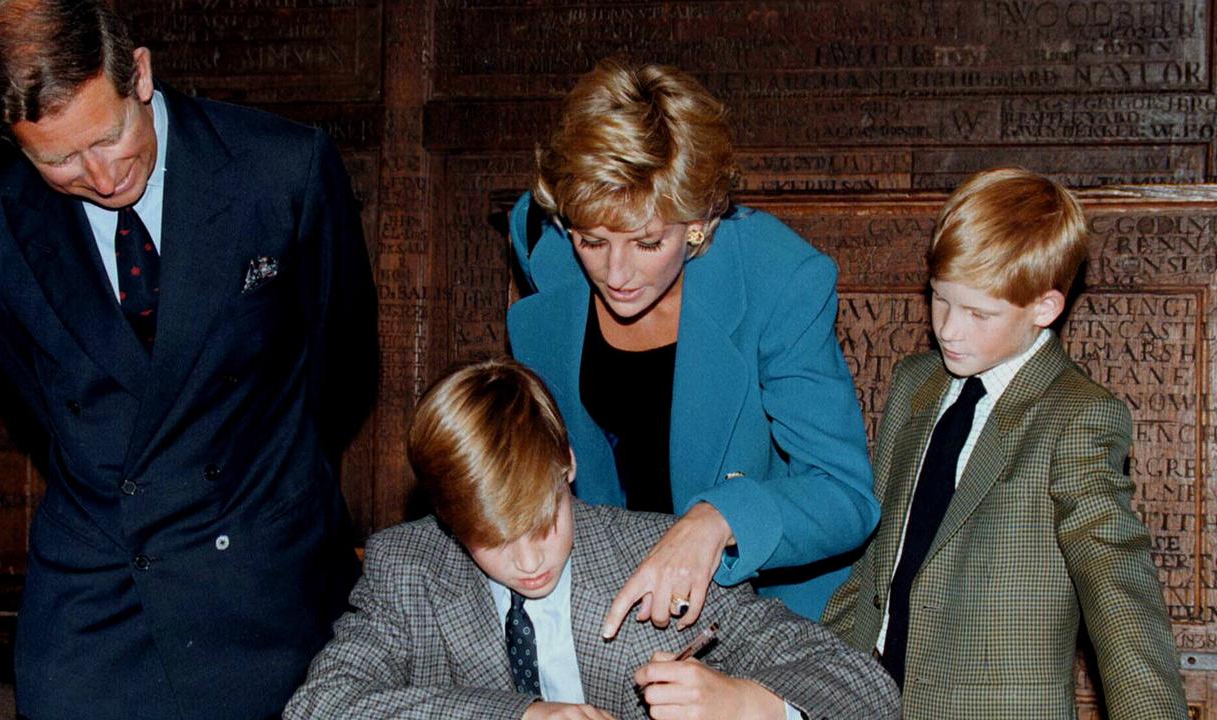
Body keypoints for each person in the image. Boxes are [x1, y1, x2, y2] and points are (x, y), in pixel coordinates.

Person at [0, 1, 376, 718]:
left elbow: (344, 365)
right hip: (100, 580)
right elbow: (38, 395)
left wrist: (259, 478)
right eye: (58, 161)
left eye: (109, 137)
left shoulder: (282, 169)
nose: (102, 175)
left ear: (139, 73)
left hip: (260, 560)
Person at [285, 358, 898, 719]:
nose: (529, 562)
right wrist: (521, 716)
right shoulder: (406, 568)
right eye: (492, 541)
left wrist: (748, 704)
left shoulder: (656, 558)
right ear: (447, 518)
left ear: (568, 464)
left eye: (544, 522)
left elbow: (867, 690)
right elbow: (319, 706)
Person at [507, 57, 877, 627]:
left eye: (648, 242)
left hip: (764, 608)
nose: (617, 273)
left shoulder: (778, 280)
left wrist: (717, 518)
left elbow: (845, 494)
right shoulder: (551, 252)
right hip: (607, 598)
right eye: (593, 241)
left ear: (700, 220)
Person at [821, 167, 1187, 718]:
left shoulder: (1078, 416)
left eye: (978, 313)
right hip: (869, 696)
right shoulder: (914, 384)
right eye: (940, 299)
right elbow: (880, 557)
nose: (948, 329)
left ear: (1044, 308)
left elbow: (1116, 582)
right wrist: (815, 672)